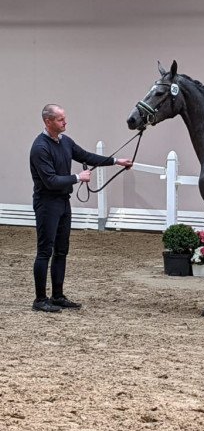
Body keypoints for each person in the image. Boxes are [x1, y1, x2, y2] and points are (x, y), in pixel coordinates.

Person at [29, 104, 133, 313]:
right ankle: (40, 299)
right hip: (47, 203)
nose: (65, 122)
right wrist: (78, 177)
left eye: (64, 118)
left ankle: (57, 295)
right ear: (48, 122)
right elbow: (50, 180)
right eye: (60, 119)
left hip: (62, 202)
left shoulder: (65, 142)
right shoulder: (40, 147)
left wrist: (116, 161)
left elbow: (86, 156)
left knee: (61, 250)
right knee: (44, 251)